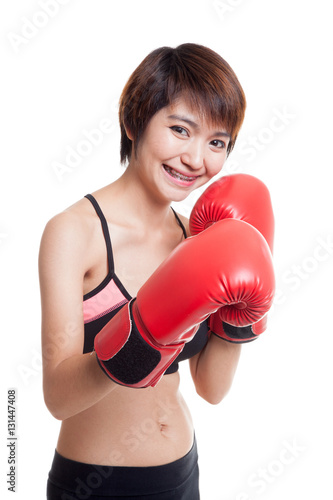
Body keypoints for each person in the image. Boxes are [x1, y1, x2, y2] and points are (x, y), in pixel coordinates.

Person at [39, 43, 274, 499]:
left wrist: (244, 316)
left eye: (217, 142)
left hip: (183, 472)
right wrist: (138, 340)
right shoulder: (74, 233)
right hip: (98, 483)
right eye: (180, 129)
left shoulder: (201, 238)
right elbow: (57, 397)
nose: (195, 159)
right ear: (134, 121)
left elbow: (211, 388)